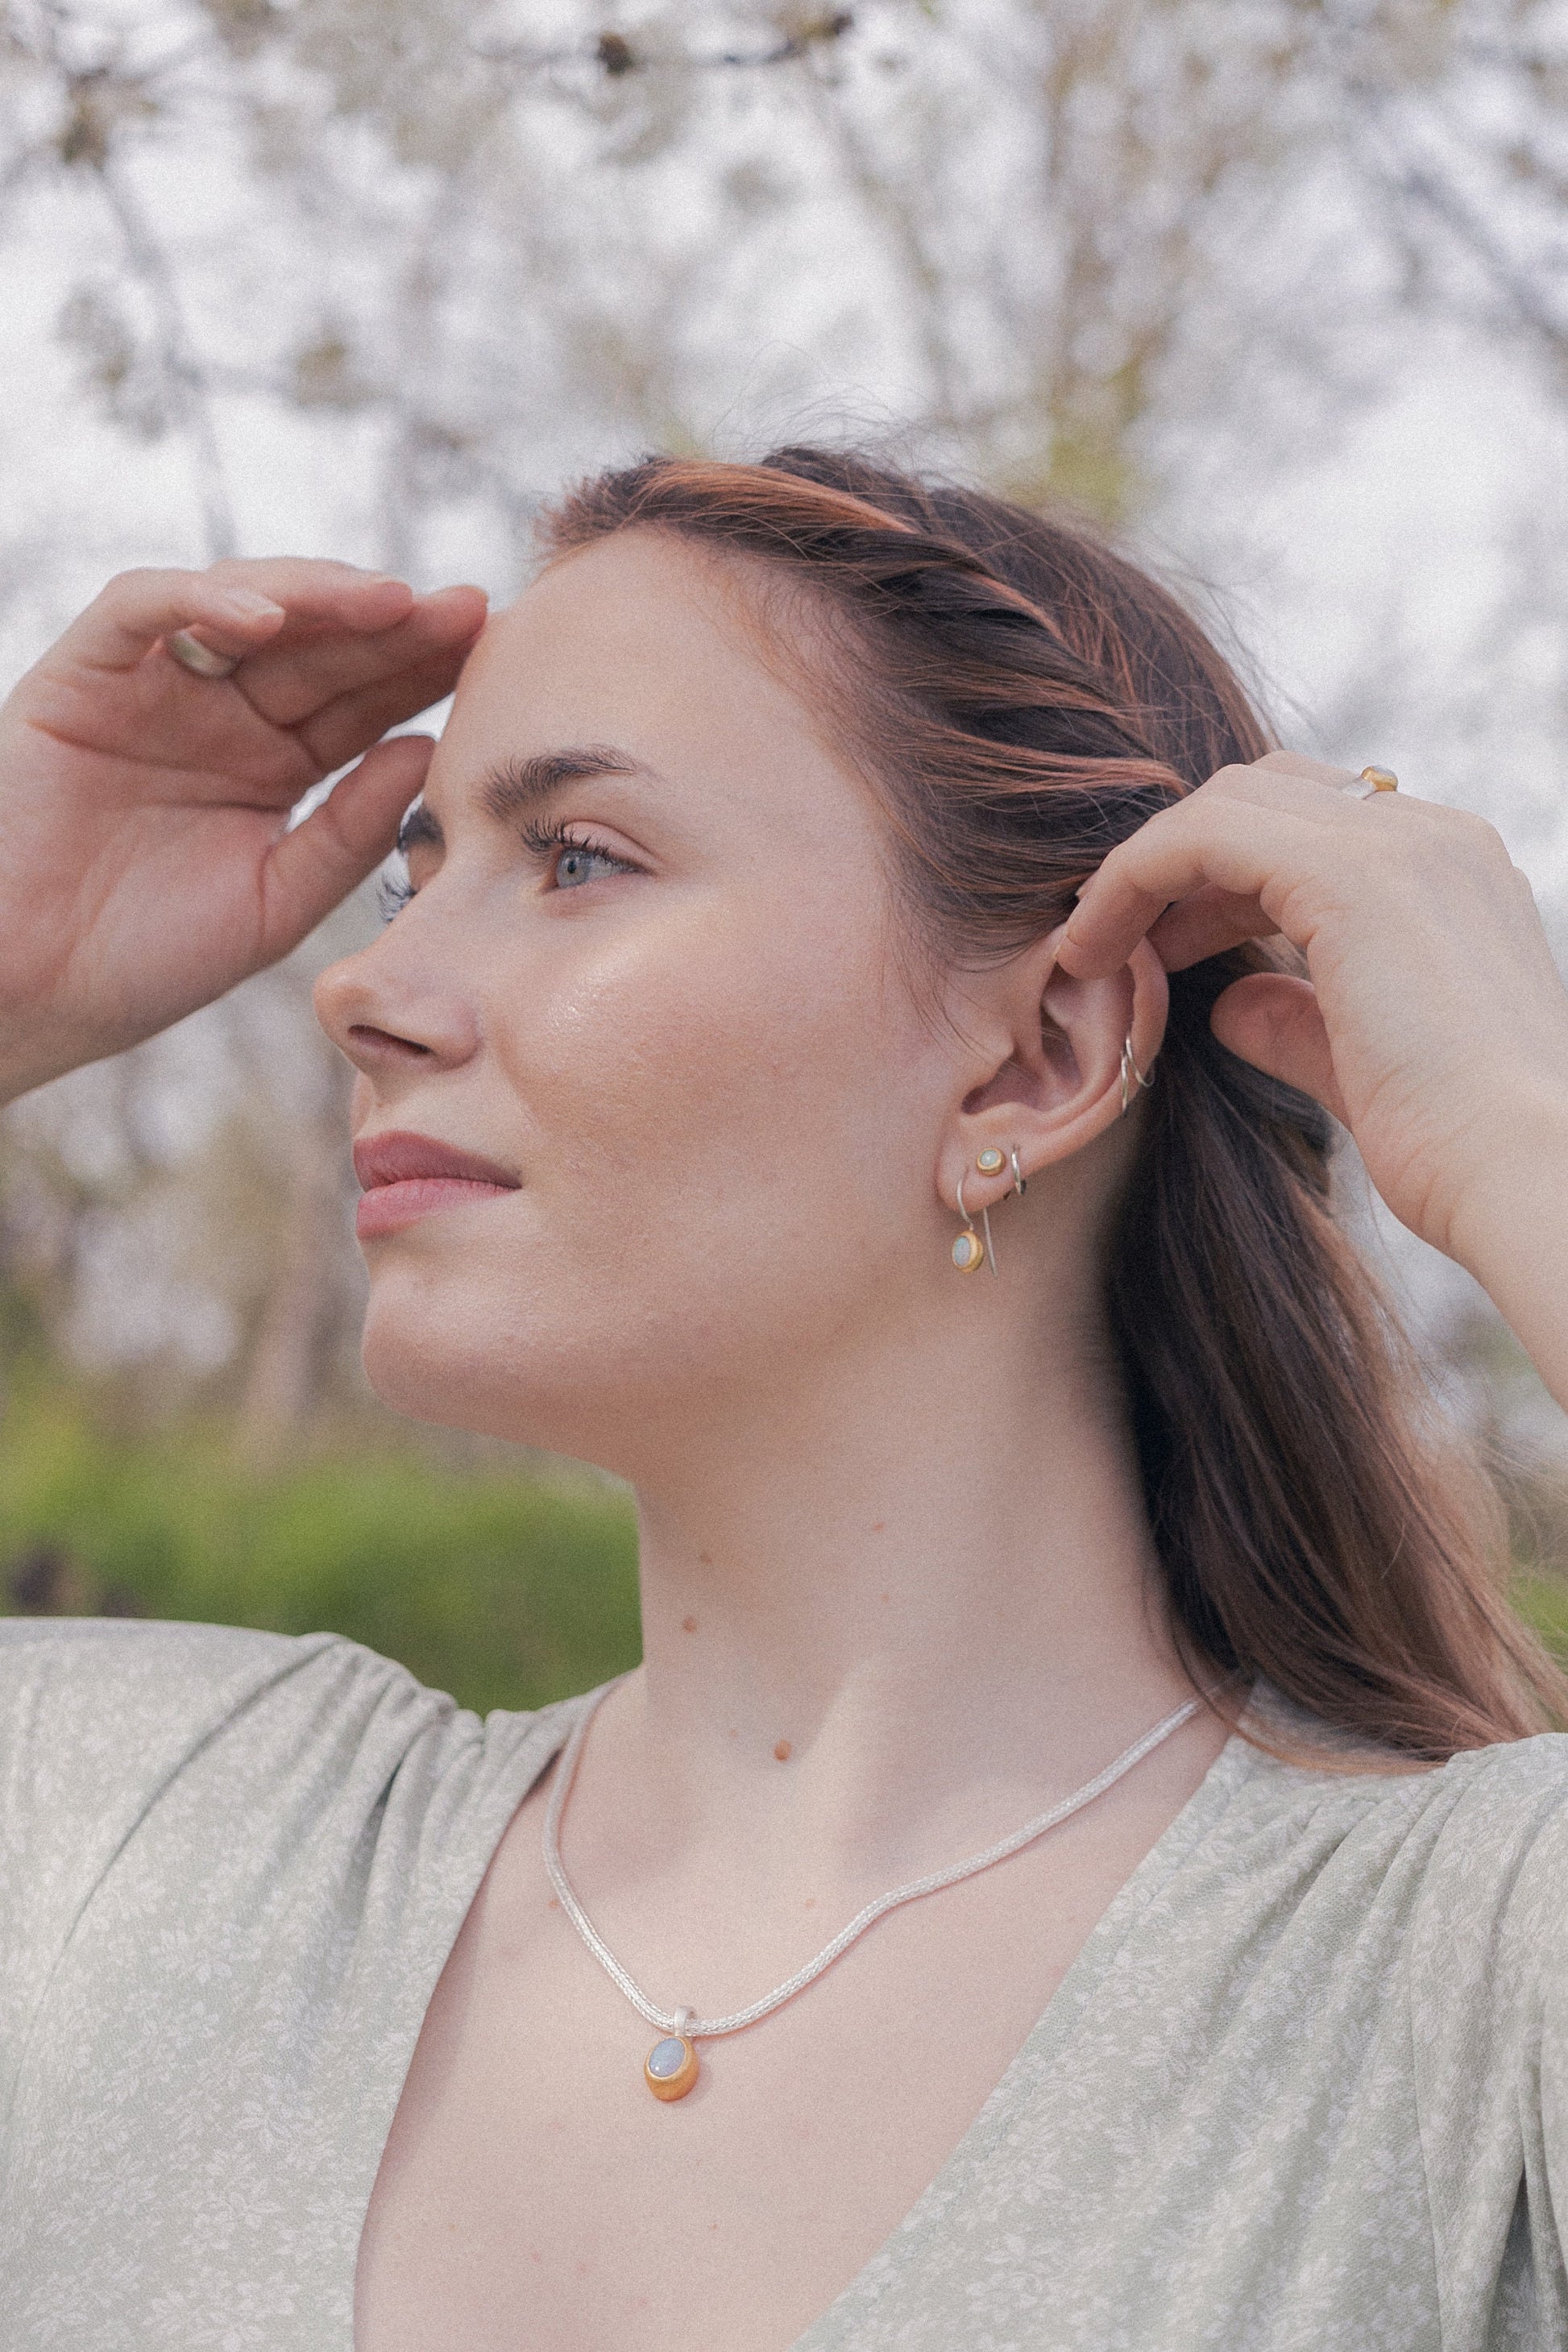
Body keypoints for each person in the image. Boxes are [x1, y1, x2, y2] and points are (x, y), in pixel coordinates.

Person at [1, 447, 1566, 2352]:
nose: (369, 986)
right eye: (415, 871)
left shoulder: (1462, 1987)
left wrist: (1522, 1132)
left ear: (1033, 1056)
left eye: (577, 857)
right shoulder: (130, 1849)